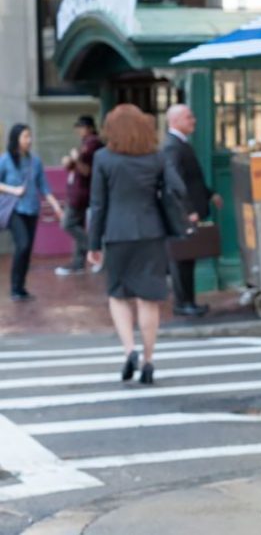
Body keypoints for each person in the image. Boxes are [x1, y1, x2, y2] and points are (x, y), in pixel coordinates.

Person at [87, 104, 186, 385]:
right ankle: (149, 360)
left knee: (118, 295)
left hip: (117, 233)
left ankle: (129, 349)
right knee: (148, 298)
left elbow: (98, 205)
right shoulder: (156, 157)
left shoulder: (103, 158)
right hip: (151, 232)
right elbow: (178, 188)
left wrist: (93, 245)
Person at [161, 103, 222, 317]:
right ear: (175, 120)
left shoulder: (181, 143)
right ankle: (182, 303)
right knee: (182, 258)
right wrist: (187, 210)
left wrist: (209, 194)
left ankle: (189, 301)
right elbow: (175, 182)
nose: (193, 120)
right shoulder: (172, 146)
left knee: (188, 257)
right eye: (189, 117)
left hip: (190, 208)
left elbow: (192, 178)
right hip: (183, 212)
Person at [0, 124, 64, 302]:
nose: (29, 140)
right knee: (23, 244)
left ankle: (21, 288)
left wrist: (56, 207)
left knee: (27, 249)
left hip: (32, 209)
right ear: (16, 139)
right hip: (14, 209)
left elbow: (44, 186)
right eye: (25, 136)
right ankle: (15, 288)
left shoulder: (35, 161)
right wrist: (13, 190)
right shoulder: (5, 160)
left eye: (30, 136)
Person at [55, 115, 104, 276]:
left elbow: (87, 171)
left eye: (81, 127)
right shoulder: (86, 143)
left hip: (81, 193)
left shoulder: (93, 144)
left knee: (68, 224)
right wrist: (70, 163)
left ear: (89, 128)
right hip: (78, 191)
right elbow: (78, 168)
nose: (78, 130)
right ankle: (78, 262)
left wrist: (75, 160)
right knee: (78, 225)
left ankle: (96, 251)